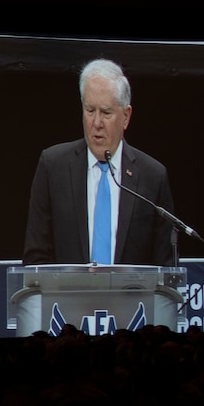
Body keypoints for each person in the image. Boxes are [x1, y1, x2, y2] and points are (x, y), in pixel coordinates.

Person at [22, 58, 178, 266]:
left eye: (106, 113)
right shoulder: (53, 167)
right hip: (68, 298)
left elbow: (165, 269)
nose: (96, 123)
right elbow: (36, 259)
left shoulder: (152, 176)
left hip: (130, 298)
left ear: (126, 116)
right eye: (90, 110)